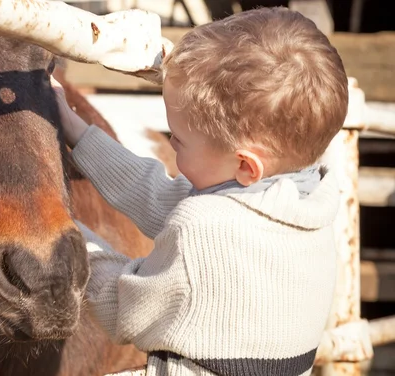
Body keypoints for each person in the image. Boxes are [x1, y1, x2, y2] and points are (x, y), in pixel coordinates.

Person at [51, 6, 349, 376]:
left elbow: (122, 305)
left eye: (179, 141)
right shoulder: (303, 206)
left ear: (245, 165)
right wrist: (79, 133)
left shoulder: (202, 231)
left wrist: (66, 232)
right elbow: (157, 197)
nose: (170, 143)